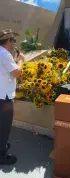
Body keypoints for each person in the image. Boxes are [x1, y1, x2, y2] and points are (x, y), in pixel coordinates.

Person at [0, 29, 25, 165]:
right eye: (13, 41)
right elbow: (16, 73)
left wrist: (14, 60)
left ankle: (1, 145)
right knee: (4, 126)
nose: (14, 43)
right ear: (8, 41)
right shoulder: (4, 54)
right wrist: (21, 61)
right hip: (4, 98)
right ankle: (1, 155)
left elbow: (6, 69)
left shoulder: (2, 54)